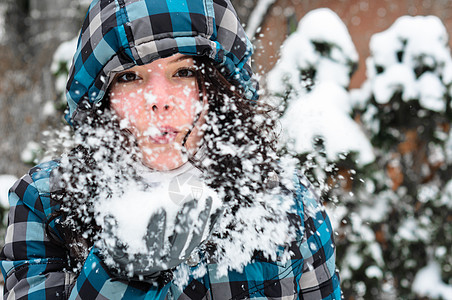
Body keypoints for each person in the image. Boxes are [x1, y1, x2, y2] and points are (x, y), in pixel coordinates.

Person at [0, 0, 341, 299]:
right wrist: (120, 275)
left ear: (221, 89)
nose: (159, 100)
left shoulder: (284, 201)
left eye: (183, 72)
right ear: (102, 99)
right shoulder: (48, 203)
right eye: (130, 77)